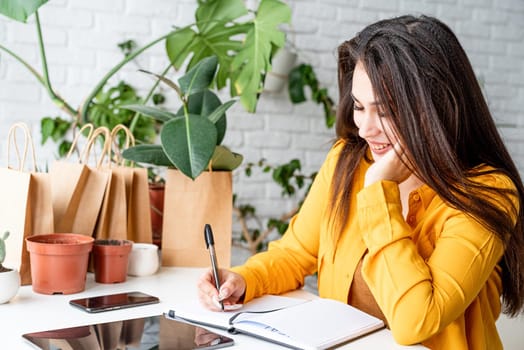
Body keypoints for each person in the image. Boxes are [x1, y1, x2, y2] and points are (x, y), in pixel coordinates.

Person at [197, 15, 524, 349]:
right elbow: (296, 253)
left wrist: (379, 191)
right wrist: (244, 279)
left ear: (434, 108)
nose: (366, 129)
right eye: (359, 107)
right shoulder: (347, 160)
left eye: (385, 112)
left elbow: (417, 321)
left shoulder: (488, 192)